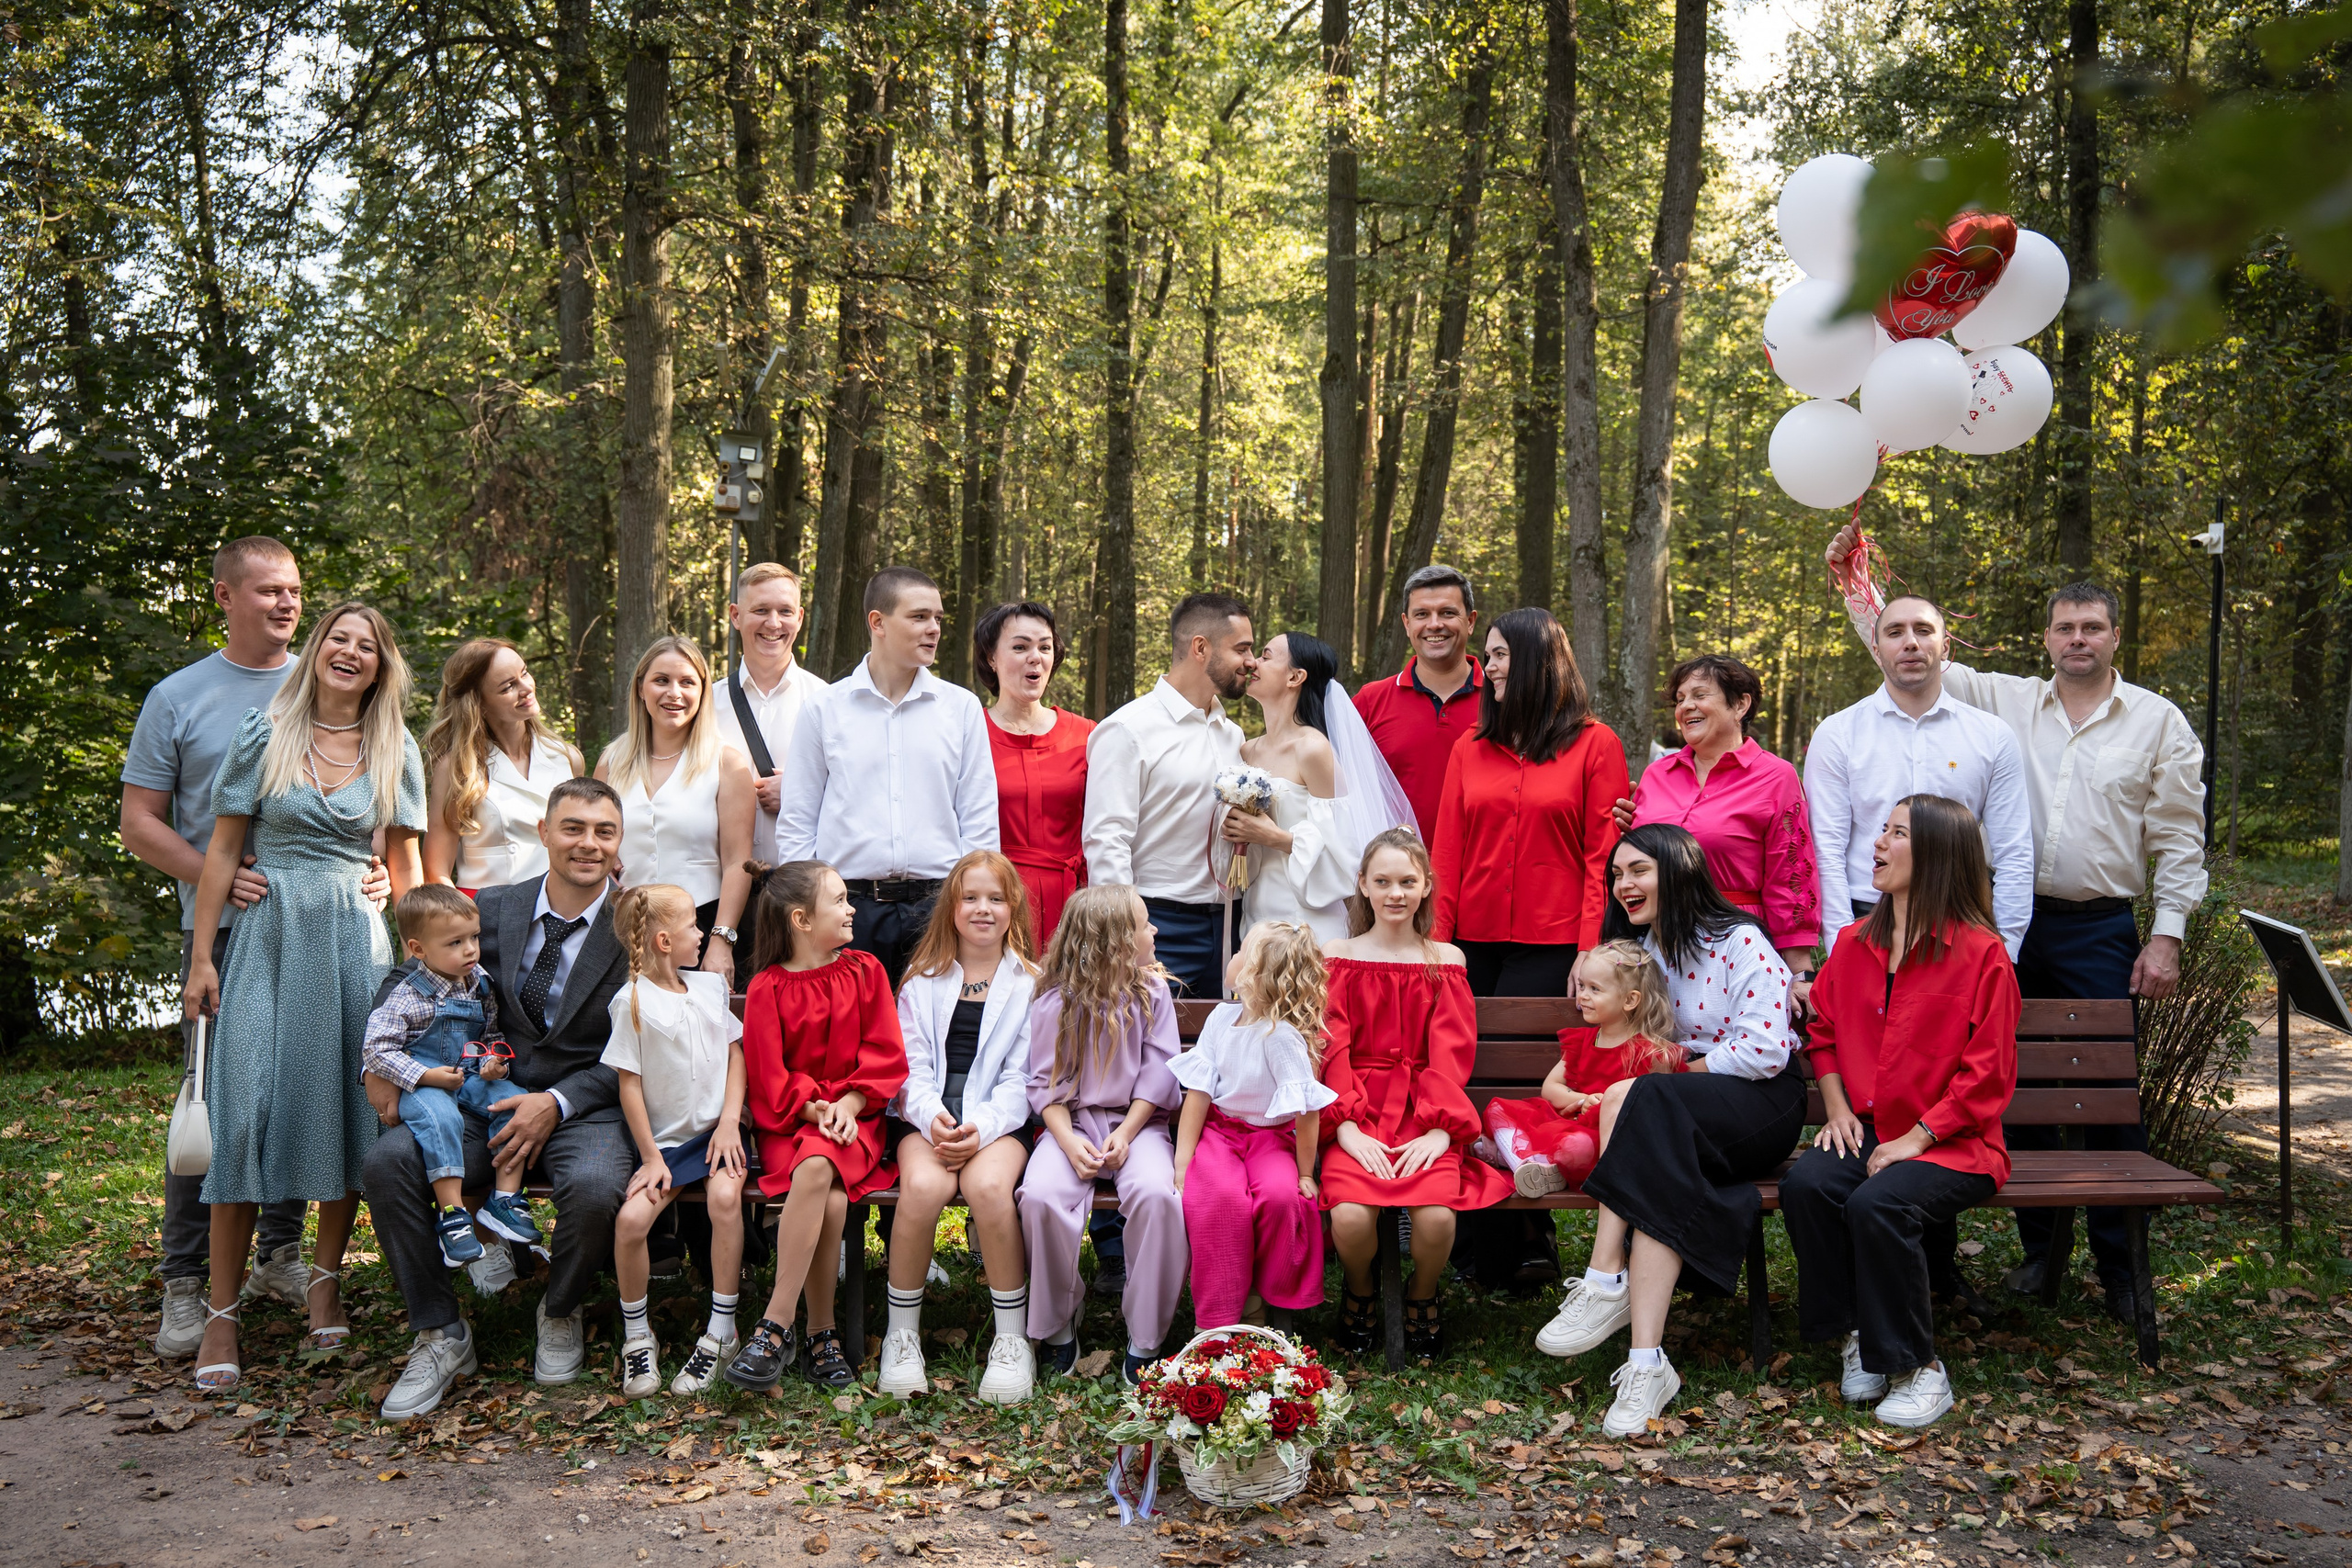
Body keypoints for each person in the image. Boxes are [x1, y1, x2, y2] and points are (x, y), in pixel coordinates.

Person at [1825, 529, 2208, 1316]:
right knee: (2010, 1087)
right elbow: (1905, 651)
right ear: (2047, 638)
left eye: (2091, 628)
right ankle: (2040, 1255)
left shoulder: (2158, 722)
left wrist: (2165, 931)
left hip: (2098, 927)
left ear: (2113, 638)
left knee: (2105, 1100)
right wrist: (1852, 576)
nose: (2077, 639)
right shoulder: (2002, 700)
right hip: (1989, 928)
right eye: (2064, 627)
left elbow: (2177, 833)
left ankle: (2122, 1269)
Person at [120, 536, 383, 1359]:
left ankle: (279, 1256)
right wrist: (217, 879)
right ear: (225, 596)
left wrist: (377, 877)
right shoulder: (181, 695)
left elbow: (379, 824)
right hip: (233, 925)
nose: (286, 603)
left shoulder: (329, 686)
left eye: (296, 589)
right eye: (268, 589)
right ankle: (187, 1282)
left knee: (316, 1093)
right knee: (223, 1104)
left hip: (328, 926)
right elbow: (139, 823)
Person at [180, 602, 427, 1392]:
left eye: (367, 646)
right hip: (268, 936)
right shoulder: (264, 734)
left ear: (381, 667)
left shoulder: (396, 749)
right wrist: (201, 958)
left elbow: (409, 869)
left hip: (356, 943)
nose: (349, 652)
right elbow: (222, 850)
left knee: (343, 1106)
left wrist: (420, 953)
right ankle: (222, 1312)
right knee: (245, 1107)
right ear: (317, 650)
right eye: (338, 639)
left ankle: (324, 1279)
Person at [362, 777, 638, 1422]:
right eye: (573, 827)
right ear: (544, 832)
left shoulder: (636, 925)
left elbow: (643, 1046)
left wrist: (558, 1102)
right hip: (481, 1099)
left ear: (619, 843)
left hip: (585, 1103)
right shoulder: (494, 906)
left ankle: (561, 1307)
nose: (587, 844)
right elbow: (410, 976)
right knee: (388, 1163)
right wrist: (378, 1069)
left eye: (604, 831)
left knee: (597, 1188)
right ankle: (440, 1333)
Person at [1536, 824, 1804, 1439]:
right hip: (1676, 1111)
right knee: (1655, 1160)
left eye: (1637, 870)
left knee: (1643, 1095)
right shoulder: (1646, 954)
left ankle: (1605, 1278)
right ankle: (1646, 1363)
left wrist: (1675, 1072)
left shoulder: (1739, 940)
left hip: (1758, 1106)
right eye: (1616, 875)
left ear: (1678, 871)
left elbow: (1766, 1049)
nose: (1622, 885)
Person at [1781, 795, 2019, 1429]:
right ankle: (1857, 1335)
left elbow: (1987, 1074)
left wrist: (1917, 1136)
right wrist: (1834, 1107)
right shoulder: (1854, 942)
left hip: (1955, 1141)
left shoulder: (1981, 954)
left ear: (1939, 853)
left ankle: (1920, 1368)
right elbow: (1823, 1031)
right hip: (1869, 1128)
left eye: (1896, 833)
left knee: (1878, 1200)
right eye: (1881, 831)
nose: (1878, 843)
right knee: (1808, 1184)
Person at [1319, 829, 1511, 1362]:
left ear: (1426, 886)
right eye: (1382, 882)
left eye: (1407, 881)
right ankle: (1360, 1291)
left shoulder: (1445, 959)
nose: (1395, 893)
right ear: (1362, 885)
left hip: (1425, 1109)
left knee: (1436, 1217)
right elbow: (1332, 1048)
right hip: (1356, 1109)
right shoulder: (1339, 955)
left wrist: (1439, 1129)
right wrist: (1347, 1128)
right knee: (1352, 1217)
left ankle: (1421, 1296)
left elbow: (1451, 1053)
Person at [726, 862, 909, 1393]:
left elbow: (885, 1053)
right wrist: (816, 1111)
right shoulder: (766, 987)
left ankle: (774, 1327)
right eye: (840, 900)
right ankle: (819, 1334)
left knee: (820, 1166)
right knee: (824, 1189)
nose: (853, 908)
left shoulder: (866, 971)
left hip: (857, 1121)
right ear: (802, 919)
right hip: (790, 1125)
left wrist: (847, 1107)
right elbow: (769, 1076)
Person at [778, 567, 1000, 987]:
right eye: (919, 617)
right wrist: (811, 913)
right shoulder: (824, 709)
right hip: (847, 912)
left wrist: (974, 904)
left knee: (938, 1044)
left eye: (937, 618)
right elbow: (797, 823)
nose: (933, 628)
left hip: (939, 910)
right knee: (845, 1043)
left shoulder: (962, 708)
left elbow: (979, 818)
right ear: (877, 622)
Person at [876, 850, 1040, 1404]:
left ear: (1013, 907)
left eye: (996, 898)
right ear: (951, 907)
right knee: (922, 1188)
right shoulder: (922, 981)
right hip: (928, 1119)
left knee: (989, 1188)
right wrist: (933, 1117)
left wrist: (980, 1127)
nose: (983, 909)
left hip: (998, 1122)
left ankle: (1012, 1341)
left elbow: (1023, 1079)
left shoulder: (1032, 985)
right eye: (970, 897)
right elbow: (911, 1067)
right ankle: (901, 1337)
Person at [1801, 593, 2033, 964]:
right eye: (1895, 632)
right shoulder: (1838, 733)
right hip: (1866, 920)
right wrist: (1841, 943)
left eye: (1923, 630)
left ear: (1945, 647)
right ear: (1876, 650)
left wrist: (2005, 947)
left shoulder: (1991, 736)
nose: (1910, 641)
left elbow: (2015, 851)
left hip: (1963, 924)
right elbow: (1825, 851)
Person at [1019, 885, 1187, 1383]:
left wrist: (1129, 1132)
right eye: (1144, 924)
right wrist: (1069, 1143)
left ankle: (1147, 1336)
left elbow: (1161, 1073)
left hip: (1140, 1125)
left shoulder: (1153, 993)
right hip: (1069, 1126)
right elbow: (1044, 1085)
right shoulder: (1056, 1002)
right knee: (1042, 1196)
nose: (1153, 931)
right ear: (1115, 941)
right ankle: (1056, 1323)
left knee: (1160, 1196)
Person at [1430, 607, 1628, 1000]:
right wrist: (1435, 943)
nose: (1489, 668)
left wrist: (1590, 947)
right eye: (1488, 657)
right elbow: (1447, 855)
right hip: (1468, 943)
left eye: (1500, 655)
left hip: (1557, 944)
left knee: (1520, 1052)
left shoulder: (1597, 744)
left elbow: (1603, 859)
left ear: (1537, 660)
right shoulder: (1468, 748)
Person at [604, 883, 751, 1400]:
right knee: (630, 1223)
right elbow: (630, 1084)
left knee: (726, 1199)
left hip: (720, 1132)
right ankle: (637, 1336)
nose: (701, 934)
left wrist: (731, 1121)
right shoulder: (631, 1002)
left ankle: (722, 1330)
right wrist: (650, 1157)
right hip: (665, 1143)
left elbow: (736, 1056)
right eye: (694, 925)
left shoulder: (710, 988)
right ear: (665, 940)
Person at [1082, 593, 1253, 998]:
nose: (1251, 662)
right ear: (1200, 648)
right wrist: (1126, 935)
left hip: (1234, 923)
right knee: (1150, 1050)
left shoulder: (1233, 735)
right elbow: (1107, 839)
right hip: (1159, 925)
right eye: (1241, 649)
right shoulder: (1128, 729)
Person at [358, 886, 538, 1271]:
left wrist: (494, 1063)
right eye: (456, 942)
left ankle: (503, 1201)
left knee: (514, 1101)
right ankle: (454, 1215)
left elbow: (490, 1037)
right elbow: (376, 1050)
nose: (471, 949)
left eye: (474, 937)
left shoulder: (480, 982)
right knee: (443, 1121)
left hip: (468, 1073)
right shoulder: (407, 995)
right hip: (423, 1082)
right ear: (418, 949)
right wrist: (425, 1074)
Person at [1170, 921, 1336, 1330]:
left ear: (1258, 975)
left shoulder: (1281, 1037)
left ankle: (1265, 1296)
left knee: (1280, 1198)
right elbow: (1198, 1094)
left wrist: (1304, 1173)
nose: (1234, 958)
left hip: (1270, 1139)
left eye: (1242, 952)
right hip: (1219, 1135)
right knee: (1218, 1199)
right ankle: (1218, 1316)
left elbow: (1306, 1112)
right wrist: (1181, 1163)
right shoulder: (1219, 1021)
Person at [1615, 654, 1822, 974]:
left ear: (1740, 705)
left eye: (1699, 695)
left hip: (1736, 942)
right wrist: (1626, 834)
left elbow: (1791, 875)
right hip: (1657, 943)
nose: (1685, 707)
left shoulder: (1776, 776)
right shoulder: (1657, 774)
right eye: (1681, 699)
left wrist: (1799, 970)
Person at [1227, 631, 1417, 942]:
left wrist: (1275, 838)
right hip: (1257, 914)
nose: (1252, 664)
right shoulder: (1247, 751)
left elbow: (1349, 858)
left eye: (1265, 655)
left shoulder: (1314, 750)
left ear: (1295, 677)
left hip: (1308, 921)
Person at [597, 635, 758, 988]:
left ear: (702, 692)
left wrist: (722, 939)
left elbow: (737, 861)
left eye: (687, 682)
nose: (674, 693)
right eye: (661, 680)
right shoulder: (611, 762)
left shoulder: (726, 763)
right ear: (641, 688)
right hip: (625, 929)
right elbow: (596, 845)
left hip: (702, 927)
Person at [1480, 941, 1686, 1199]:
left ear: (1630, 999)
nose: (1583, 996)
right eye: (1582, 986)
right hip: (1565, 1121)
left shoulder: (1651, 1053)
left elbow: (1652, 1114)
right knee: (1500, 1110)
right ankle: (1532, 1166)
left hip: (1603, 1140)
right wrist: (1581, 1100)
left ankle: (1515, 1158)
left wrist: (1601, 1108)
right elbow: (1550, 1088)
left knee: (1576, 1147)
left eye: (1595, 989)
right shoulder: (1584, 1041)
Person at [421, 637, 583, 892]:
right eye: (508, 686)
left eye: (525, 673)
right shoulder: (458, 769)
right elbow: (435, 871)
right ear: (479, 704)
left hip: (562, 911)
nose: (526, 688)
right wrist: (466, 924)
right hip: (489, 915)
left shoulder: (566, 757)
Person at [977, 601, 1095, 948]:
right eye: (1020, 647)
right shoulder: (969, 734)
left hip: (1074, 907)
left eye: (1044, 647)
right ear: (991, 658)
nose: (1035, 657)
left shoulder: (1088, 735)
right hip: (995, 904)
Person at [1352, 562, 1484, 836]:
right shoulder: (1370, 701)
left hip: (1482, 873)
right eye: (1422, 614)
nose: (1434, 624)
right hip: (1396, 874)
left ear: (1470, 621)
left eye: (1447, 613)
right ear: (1407, 623)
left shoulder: (1504, 699)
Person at [714, 563, 830, 853]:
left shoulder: (828, 702)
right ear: (736, 616)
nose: (774, 623)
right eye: (761, 610)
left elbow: (858, 795)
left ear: (800, 617)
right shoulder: (705, 704)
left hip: (798, 886)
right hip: (721, 888)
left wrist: (795, 792)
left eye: (786, 611)